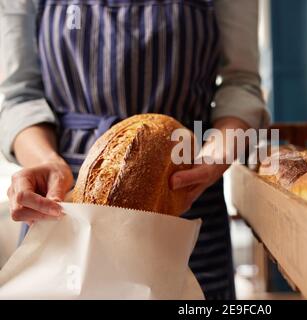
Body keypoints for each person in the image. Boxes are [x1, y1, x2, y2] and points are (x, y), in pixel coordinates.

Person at [0, 0, 269, 299]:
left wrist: (216, 155)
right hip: (65, 205)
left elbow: (240, 84)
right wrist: (44, 161)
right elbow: (18, 95)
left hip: (184, 195)